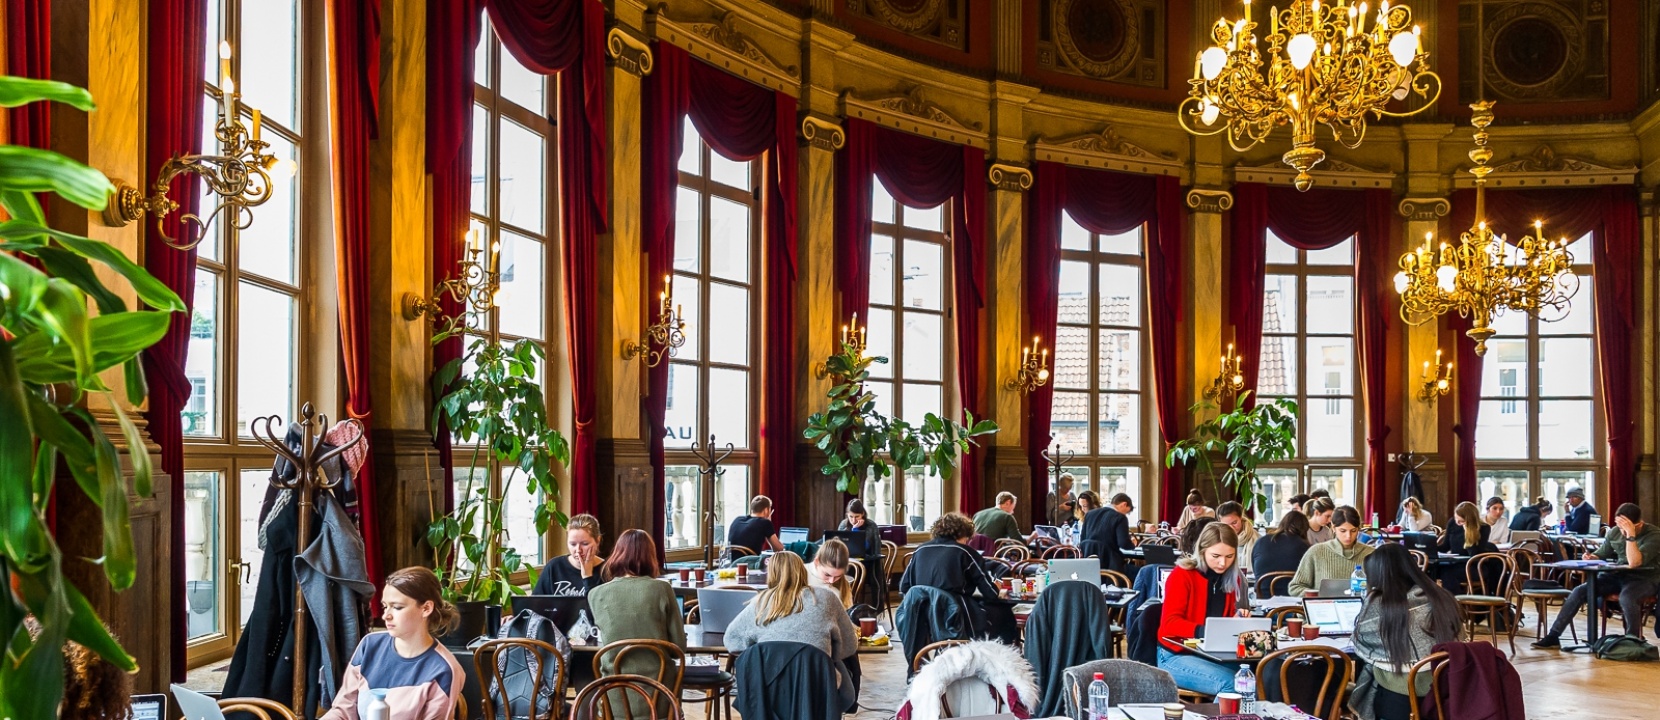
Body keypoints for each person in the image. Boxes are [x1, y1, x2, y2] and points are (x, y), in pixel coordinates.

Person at [321, 567, 462, 720]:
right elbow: (343, 710)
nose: (385, 616)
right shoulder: (369, 645)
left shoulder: (444, 670)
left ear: (426, 608)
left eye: (397, 607)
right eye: (385, 606)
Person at [1347, 544, 1464, 720]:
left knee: (1369, 668)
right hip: (1445, 687)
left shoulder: (1380, 604)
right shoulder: (1443, 597)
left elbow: (1361, 641)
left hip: (1399, 697)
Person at [589, 529, 687, 717]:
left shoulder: (596, 594)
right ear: (651, 556)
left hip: (614, 698)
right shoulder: (661, 588)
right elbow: (678, 648)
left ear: (617, 554)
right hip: (658, 698)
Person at [1534, 503, 1660, 647]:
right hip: (1619, 576)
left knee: (1627, 597)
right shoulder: (1614, 532)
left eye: (1624, 527)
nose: (1621, 531)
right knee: (1580, 591)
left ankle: (1633, 640)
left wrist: (1630, 536)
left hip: (1645, 578)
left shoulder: (1654, 535)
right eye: (1619, 526)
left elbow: (1635, 562)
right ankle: (1553, 636)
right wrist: (1591, 557)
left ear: (1639, 524)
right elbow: (1602, 552)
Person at [1157, 523, 1252, 696]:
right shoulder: (1182, 575)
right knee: (1234, 684)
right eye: (1216, 556)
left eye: (1230, 556)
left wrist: (1236, 620)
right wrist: (1206, 631)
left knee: (1260, 674)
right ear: (1202, 550)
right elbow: (1169, 625)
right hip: (1175, 655)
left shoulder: (1232, 579)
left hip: (1211, 653)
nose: (1223, 563)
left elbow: (1222, 619)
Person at [900, 512, 1012, 641]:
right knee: (1002, 613)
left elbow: (904, 587)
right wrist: (996, 587)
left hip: (922, 616)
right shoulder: (965, 552)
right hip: (956, 616)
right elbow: (990, 593)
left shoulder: (920, 550)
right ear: (963, 534)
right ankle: (1000, 653)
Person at [726, 552, 858, 659]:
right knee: (842, 674)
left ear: (770, 574)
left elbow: (731, 642)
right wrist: (825, 655)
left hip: (769, 683)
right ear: (802, 570)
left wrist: (759, 651)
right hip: (816, 681)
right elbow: (849, 645)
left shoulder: (760, 602)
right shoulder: (827, 597)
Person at [1289, 506, 1374, 596]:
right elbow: (1295, 587)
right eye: (1343, 531)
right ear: (1333, 528)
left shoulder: (1371, 554)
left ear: (1358, 529)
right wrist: (1318, 595)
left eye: (1353, 531)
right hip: (1324, 607)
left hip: (1362, 608)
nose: (1348, 536)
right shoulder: (1316, 552)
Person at [531, 513, 606, 597]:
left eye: (585, 544)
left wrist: (587, 576)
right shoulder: (554, 566)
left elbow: (600, 608)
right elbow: (535, 604)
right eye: (573, 544)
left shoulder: (608, 570)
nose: (578, 550)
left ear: (598, 540)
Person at [1080, 492, 1136, 573]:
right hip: (1112, 568)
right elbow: (1123, 543)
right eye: (1126, 512)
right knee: (1141, 572)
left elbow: (1082, 539)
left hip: (1089, 566)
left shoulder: (1090, 514)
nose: (1125, 514)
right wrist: (1132, 545)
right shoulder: (1120, 517)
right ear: (1124, 504)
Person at [1253, 510, 1313, 578]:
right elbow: (1310, 575)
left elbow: (1255, 570)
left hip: (1262, 587)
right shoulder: (1304, 546)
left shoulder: (1261, 541)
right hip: (1292, 588)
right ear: (1305, 529)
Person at [810, 537, 856, 608]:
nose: (831, 581)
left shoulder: (844, 585)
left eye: (838, 576)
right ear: (817, 562)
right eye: (827, 574)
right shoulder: (802, 575)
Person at [1216, 501, 1259, 575]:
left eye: (1234, 523)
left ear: (1241, 518)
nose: (1231, 528)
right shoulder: (1216, 538)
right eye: (1226, 525)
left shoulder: (1256, 538)